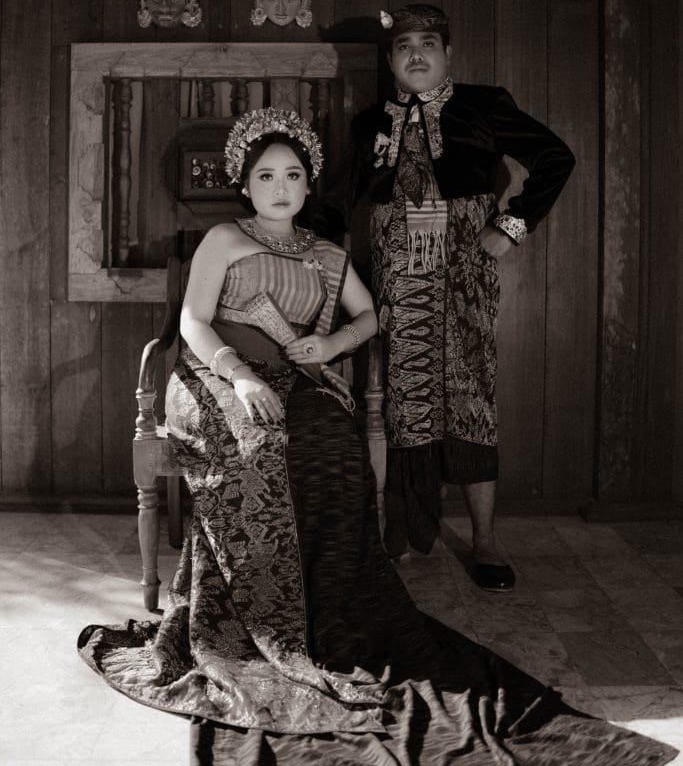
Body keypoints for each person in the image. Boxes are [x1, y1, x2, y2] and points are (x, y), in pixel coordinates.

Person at [78, 108, 674, 766]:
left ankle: (325, 605)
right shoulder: (222, 239)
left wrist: (331, 343)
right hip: (214, 376)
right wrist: (240, 377)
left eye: (293, 175)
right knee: (255, 445)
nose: (280, 187)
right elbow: (192, 322)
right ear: (245, 185)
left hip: (294, 377)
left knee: (336, 451)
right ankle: (256, 615)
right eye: (266, 176)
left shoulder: (327, 254)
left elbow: (369, 316)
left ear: (308, 185)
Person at [314, 4, 577, 591]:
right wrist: (295, 249)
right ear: (390, 60)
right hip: (397, 279)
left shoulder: (484, 106)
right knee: (404, 401)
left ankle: (485, 541)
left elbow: (556, 158)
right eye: (403, 45)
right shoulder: (369, 124)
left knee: (470, 397)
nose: (415, 54)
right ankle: (404, 530)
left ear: (447, 53)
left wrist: (510, 226)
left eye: (427, 43)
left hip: (464, 275)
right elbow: (336, 202)